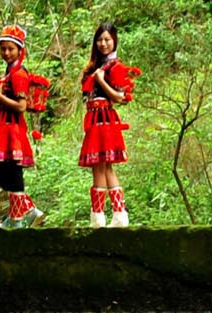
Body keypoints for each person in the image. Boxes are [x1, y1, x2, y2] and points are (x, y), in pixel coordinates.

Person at [0, 24, 49, 228]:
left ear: (20, 50)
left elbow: (21, 106)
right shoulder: (9, 72)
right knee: (5, 171)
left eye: (11, 49)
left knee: (9, 170)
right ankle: (27, 212)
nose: (6, 53)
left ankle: (18, 217)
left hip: (11, 127)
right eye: (3, 48)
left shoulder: (19, 74)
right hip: (5, 125)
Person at [77, 23, 141, 227]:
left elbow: (121, 98)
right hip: (95, 119)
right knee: (104, 167)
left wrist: (102, 81)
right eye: (100, 40)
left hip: (104, 117)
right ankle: (118, 214)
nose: (103, 43)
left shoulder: (115, 67)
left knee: (100, 166)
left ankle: (99, 217)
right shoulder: (97, 66)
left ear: (114, 41)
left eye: (107, 39)